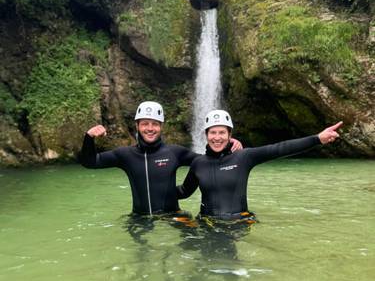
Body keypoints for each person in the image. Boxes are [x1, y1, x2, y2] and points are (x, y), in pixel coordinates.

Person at [177, 109, 343, 223]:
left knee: (230, 271)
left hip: (237, 224)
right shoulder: (199, 163)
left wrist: (317, 138)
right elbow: (184, 191)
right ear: (206, 135)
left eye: (222, 132)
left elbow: (279, 149)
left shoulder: (243, 157)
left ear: (230, 135)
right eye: (213, 132)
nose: (217, 137)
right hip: (207, 223)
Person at [79, 101, 242, 216]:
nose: (150, 128)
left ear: (161, 126)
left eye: (155, 124)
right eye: (145, 123)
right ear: (137, 126)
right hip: (140, 219)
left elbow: (209, 162)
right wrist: (89, 137)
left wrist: (227, 144)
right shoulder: (125, 155)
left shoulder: (175, 153)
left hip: (174, 216)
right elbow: (90, 162)